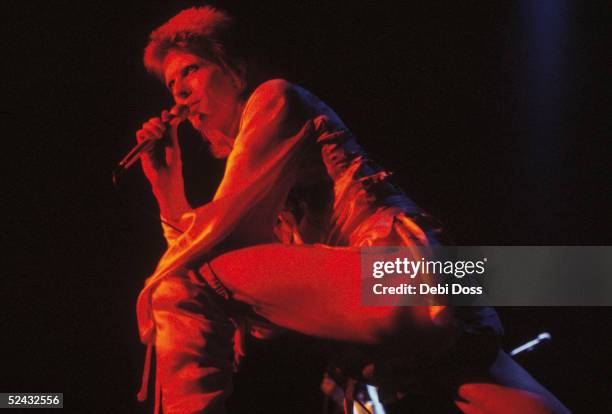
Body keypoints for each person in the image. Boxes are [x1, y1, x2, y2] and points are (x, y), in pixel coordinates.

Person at [132, 6, 569, 414]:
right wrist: (166, 187)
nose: (181, 94)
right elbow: (238, 282)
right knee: (499, 393)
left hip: (399, 271)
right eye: (171, 84)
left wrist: (172, 206)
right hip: (437, 281)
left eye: (190, 70)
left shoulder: (274, 98)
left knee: (176, 287)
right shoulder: (261, 180)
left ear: (235, 68)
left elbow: (211, 246)